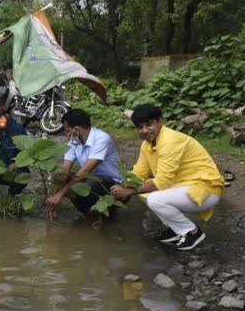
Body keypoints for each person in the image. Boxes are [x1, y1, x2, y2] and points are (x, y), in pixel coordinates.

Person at [110, 104, 225, 251]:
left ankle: (192, 232)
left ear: (160, 121)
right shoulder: (147, 145)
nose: (145, 130)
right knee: (144, 192)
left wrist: (129, 191)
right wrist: (120, 189)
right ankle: (177, 229)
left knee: (154, 198)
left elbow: (162, 182)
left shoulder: (169, 140)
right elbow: (139, 173)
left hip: (206, 189)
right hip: (186, 186)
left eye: (149, 124)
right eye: (140, 127)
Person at [46, 109, 124, 221]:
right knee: (59, 180)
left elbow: (86, 171)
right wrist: (53, 197)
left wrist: (60, 195)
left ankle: (109, 210)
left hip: (114, 184)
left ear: (76, 129)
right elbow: (64, 171)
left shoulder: (102, 138)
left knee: (88, 183)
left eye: (68, 131)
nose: (67, 135)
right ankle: (88, 212)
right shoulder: (74, 142)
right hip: (92, 180)